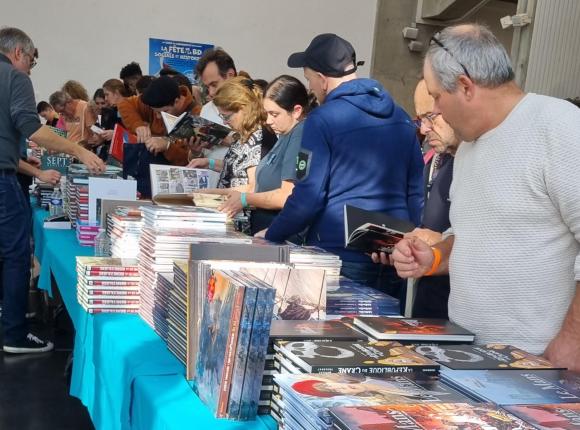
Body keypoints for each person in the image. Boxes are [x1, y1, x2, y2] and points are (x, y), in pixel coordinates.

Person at [389, 24, 580, 371]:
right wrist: (430, 259)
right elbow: (474, 237)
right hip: (467, 355)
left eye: (435, 97)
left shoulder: (561, 128)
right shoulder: (469, 148)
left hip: (538, 365)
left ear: (465, 86)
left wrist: (572, 341)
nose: (435, 111)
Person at [264, 34, 424, 297]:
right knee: (384, 337)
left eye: (309, 79)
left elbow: (308, 194)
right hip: (394, 255)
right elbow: (415, 193)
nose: (311, 88)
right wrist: (405, 243)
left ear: (323, 79)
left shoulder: (321, 120)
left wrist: (272, 233)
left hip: (340, 257)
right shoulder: (402, 117)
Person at [0, 27, 104, 353]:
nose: (31, 68)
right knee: (16, 255)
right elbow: (31, 126)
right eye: (31, 60)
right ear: (18, 52)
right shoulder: (15, 78)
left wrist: (20, 159)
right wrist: (80, 151)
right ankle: (14, 334)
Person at [216, 75, 312, 234]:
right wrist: (209, 195)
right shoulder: (284, 134)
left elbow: (286, 195)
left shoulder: (298, 135)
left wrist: (245, 199)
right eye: (266, 113)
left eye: (274, 114)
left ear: (296, 111)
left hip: (276, 230)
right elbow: (257, 186)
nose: (268, 120)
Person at [404, 79, 461, 319]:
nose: (424, 129)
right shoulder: (444, 158)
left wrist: (440, 241)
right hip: (431, 296)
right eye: (420, 120)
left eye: (431, 116)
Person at [117, 76, 198, 196]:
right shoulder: (156, 102)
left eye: (163, 112)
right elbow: (124, 104)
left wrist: (167, 146)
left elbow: (189, 161)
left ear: (176, 101)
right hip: (148, 180)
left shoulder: (197, 116)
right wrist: (137, 125)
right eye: (155, 112)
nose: (158, 116)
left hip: (175, 188)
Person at [187, 76, 272, 190]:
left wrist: (212, 194)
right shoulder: (243, 134)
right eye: (222, 116)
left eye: (227, 116)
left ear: (245, 109)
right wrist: (208, 163)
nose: (225, 122)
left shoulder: (258, 139)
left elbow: (253, 188)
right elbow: (236, 169)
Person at [194, 48, 238, 160]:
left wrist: (228, 140)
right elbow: (202, 156)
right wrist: (195, 152)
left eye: (214, 84)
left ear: (230, 75)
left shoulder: (254, 107)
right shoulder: (207, 109)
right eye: (207, 87)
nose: (211, 92)